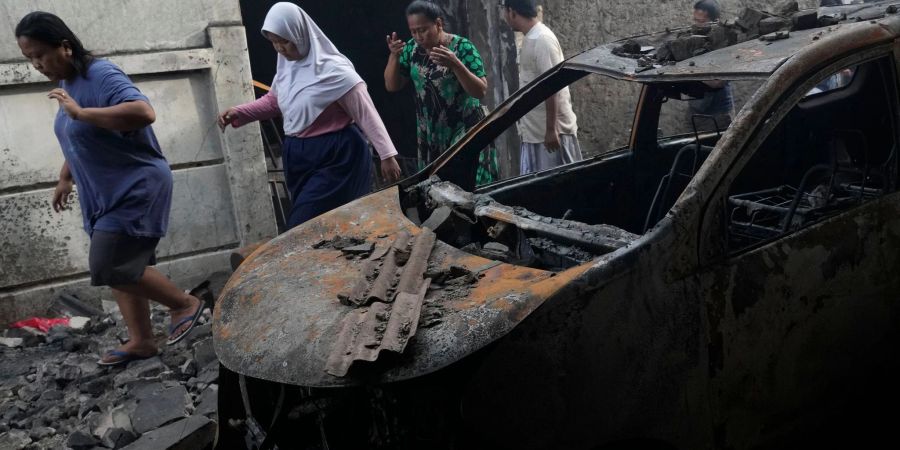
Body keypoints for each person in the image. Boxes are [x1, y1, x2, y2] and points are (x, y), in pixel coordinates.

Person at [15, 11, 211, 366]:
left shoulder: (100, 74)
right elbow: (80, 141)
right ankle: (142, 341)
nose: (37, 64)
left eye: (40, 54)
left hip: (135, 184)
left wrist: (82, 113)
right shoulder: (69, 86)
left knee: (109, 264)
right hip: (104, 192)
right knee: (125, 267)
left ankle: (186, 304)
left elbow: (143, 112)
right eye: (29, 58)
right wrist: (65, 177)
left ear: (64, 46)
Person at [219, 3, 402, 229]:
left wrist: (387, 155)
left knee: (303, 225)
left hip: (337, 156)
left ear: (300, 33)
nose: (280, 48)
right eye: (274, 42)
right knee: (326, 230)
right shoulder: (287, 69)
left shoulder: (335, 71)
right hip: (298, 156)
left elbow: (365, 112)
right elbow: (275, 101)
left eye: (284, 41)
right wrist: (241, 112)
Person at [384, 0, 499, 187]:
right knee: (438, 191)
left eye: (423, 30)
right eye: (413, 31)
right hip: (431, 134)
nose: (418, 36)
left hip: (464, 130)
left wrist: (456, 65)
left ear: (438, 24)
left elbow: (480, 90)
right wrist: (394, 56)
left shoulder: (462, 48)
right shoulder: (412, 51)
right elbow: (392, 85)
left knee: (468, 187)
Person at [501, 0, 582, 175]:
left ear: (512, 12)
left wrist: (552, 130)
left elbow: (552, 85)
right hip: (535, 133)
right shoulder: (531, 37)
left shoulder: (542, 39)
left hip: (551, 135)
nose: (505, 17)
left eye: (505, 12)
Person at [690, 0, 734, 130]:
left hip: (718, 115)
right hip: (695, 110)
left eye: (701, 22)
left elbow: (717, 82)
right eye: (695, 20)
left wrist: (685, 74)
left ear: (715, 21)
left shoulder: (725, 43)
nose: (696, 25)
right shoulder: (695, 40)